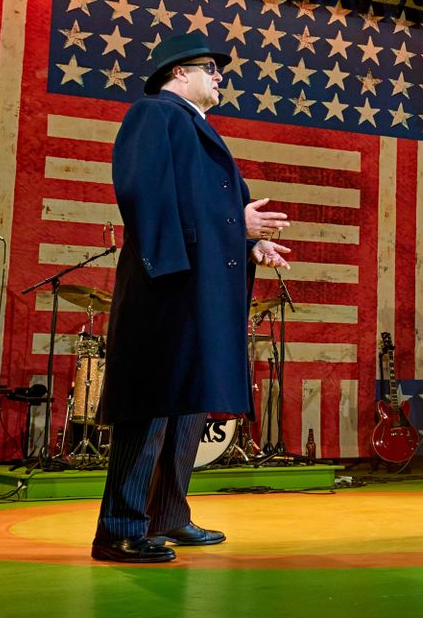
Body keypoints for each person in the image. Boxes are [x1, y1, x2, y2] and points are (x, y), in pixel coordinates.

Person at [91, 33, 292, 563]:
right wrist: (235, 224)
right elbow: (146, 197)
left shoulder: (195, 126)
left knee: (187, 407)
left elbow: (202, 209)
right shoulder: (153, 115)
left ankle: (168, 516)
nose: (221, 76)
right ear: (178, 74)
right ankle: (120, 527)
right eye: (211, 68)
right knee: (153, 404)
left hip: (196, 291)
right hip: (167, 287)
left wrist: (248, 243)